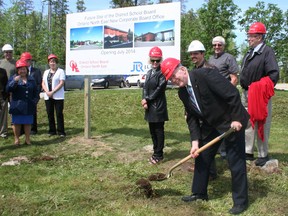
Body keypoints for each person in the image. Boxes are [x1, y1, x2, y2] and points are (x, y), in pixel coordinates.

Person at [161, 57, 249, 215]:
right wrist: (195, 142)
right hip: (211, 123)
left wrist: (236, 118)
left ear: (182, 69)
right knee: (201, 155)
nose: (174, 80)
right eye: (170, 79)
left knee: (235, 161)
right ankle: (199, 193)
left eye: (174, 76)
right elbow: (192, 118)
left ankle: (241, 201)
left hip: (231, 121)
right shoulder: (183, 93)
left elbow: (232, 94)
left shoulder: (205, 75)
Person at [240, 22, 279, 166]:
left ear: (259, 37)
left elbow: (273, 74)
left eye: (251, 36)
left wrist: (257, 87)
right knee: (248, 123)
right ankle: (248, 151)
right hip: (246, 93)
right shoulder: (249, 52)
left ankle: (263, 154)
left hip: (260, 94)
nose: (249, 39)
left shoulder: (267, 52)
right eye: (249, 36)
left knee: (262, 122)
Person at [187, 40, 217, 179]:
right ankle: (204, 169)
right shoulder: (193, 72)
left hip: (210, 113)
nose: (193, 56)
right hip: (198, 113)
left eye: (196, 53)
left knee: (207, 143)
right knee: (198, 140)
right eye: (191, 54)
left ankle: (210, 172)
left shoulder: (210, 69)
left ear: (203, 54)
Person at [208, 36, 239, 159]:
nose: (217, 47)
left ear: (223, 46)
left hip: (224, 97)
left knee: (225, 123)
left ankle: (225, 150)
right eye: (214, 45)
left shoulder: (229, 58)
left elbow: (234, 79)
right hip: (212, 97)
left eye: (219, 45)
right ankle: (217, 148)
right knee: (214, 122)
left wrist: (227, 94)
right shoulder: (210, 59)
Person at [141, 46, 168, 164]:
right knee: (152, 131)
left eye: (157, 60)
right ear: (150, 60)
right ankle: (155, 151)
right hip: (150, 106)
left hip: (158, 106)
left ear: (161, 60)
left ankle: (159, 154)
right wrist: (143, 98)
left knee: (158, 130)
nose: (155, 62)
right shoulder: (149, 72)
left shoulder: (163, 73)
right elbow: (145, 87)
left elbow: (159, 90)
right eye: (153, 60)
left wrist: (147, 99)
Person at [6, 59, 37, 145]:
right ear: (17, 70)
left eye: (24, 69)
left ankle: (27, 139)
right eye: (20, 69)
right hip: (17, 105)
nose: (22, 71)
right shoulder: (13, 78)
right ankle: (17, 139)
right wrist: (15, 81)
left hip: (29, 104)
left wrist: (34, 101)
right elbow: (8, 89)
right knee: (17, 123)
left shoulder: (31, 79)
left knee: (28, 123)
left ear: (27, 70)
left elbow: (35, 91)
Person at [42, 54, 66, 137]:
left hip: (58, 96)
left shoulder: (61, 71)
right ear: (48, 63)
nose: (52, 63)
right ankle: (52, 130)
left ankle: (61, 131)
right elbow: (43, 83)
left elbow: (61, 83)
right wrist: (47, 92)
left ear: (57, 63)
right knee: (50, 113)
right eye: (51, 62)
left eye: (54, 62)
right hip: (48, 96)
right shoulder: (46, 72)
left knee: (59, 113)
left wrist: (53, 92)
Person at [20, 52, 42, 135]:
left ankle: (33, 129)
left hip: (32, 96)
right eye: (23, 60)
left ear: (30, 61)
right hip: (22, 96)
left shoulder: (36, 71)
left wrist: (36, 96)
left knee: (32, 112)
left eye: (26, 60)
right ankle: (22, 130)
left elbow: (39, 84)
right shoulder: (20, 71)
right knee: (22, 112)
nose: (25, 62)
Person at [0, 44, 16, 138]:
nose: (8, 54)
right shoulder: (1, 63)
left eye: (10, 52)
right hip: (3, 91)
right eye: (6, 52)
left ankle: (15, 126)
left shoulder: (15, 63)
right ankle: (3, 130)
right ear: (4, 53)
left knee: (13, 109)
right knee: (3, 111)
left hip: (13, 90)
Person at [0, 67, 8, 139]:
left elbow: (6, 83)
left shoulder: (3, 71)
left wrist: (6, 95)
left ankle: (3, 132)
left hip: (2, 96)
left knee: (3, 115)